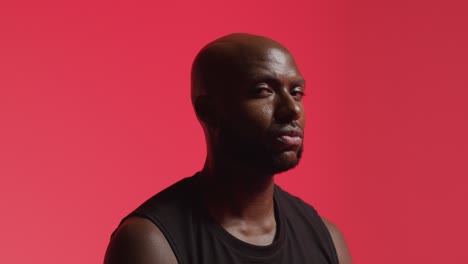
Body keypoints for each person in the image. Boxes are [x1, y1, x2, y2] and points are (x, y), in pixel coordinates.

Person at [104, 33, 352, 264]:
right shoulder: (151, 242)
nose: (293, 109)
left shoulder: (326, 239)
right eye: (264, 91)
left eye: (296, 92)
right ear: (208, 111)